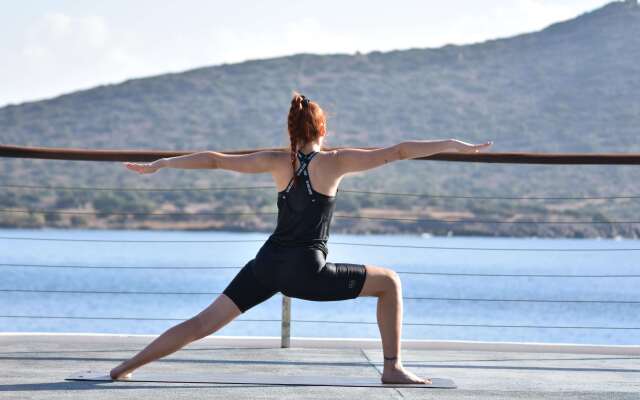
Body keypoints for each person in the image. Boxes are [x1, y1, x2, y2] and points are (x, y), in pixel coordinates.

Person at [111, 92, 492, 384]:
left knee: (200, 323)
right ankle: (392, 368)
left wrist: (161, 164)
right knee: (389, 282)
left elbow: (214, 158)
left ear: (291, 132)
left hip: (267, 264)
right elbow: (400, 151)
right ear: (323, 130)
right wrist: (457, 144)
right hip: (308, 271)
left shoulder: (277, 161)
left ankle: (126, 367)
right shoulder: (337, 161)